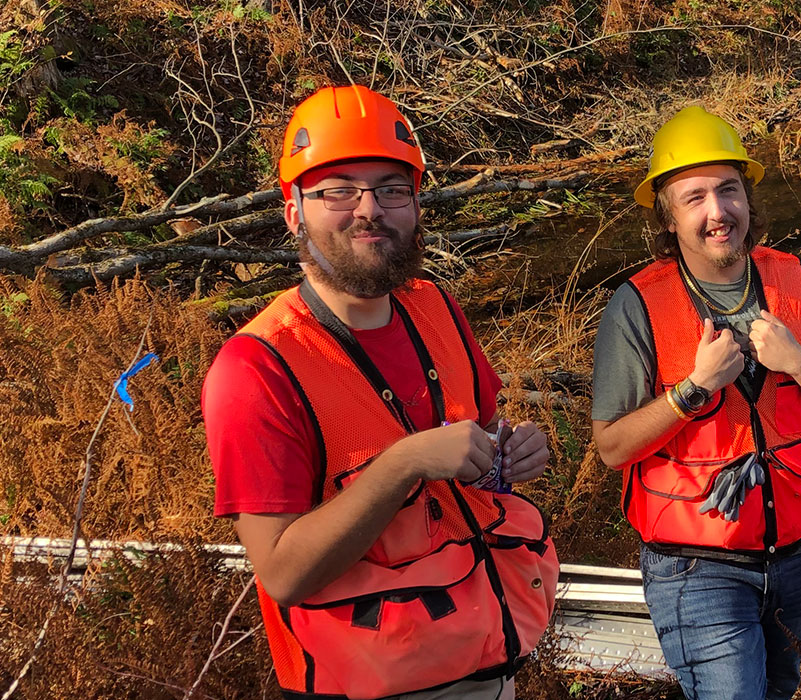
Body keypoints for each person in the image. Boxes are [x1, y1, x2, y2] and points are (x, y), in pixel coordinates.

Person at [201, 85, 558, 700]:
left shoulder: (437, 308)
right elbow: (283, 573)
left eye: (393, 189)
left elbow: (479, 443)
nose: (370, 208)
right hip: (363, 685)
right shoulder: (255, 367)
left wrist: (511, 451)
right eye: (339, 189)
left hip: (486, 664)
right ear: (294, 211)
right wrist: (404, 462)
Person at [590, 105, 801, 700]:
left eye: (728, 190)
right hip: (698, 567)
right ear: (667, 216)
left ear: (747, 197)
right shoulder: (636, 306)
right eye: (694, 198)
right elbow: (612, 447)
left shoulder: (798, 279)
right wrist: (694, 390)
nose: (718, 212)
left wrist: (800, 365)